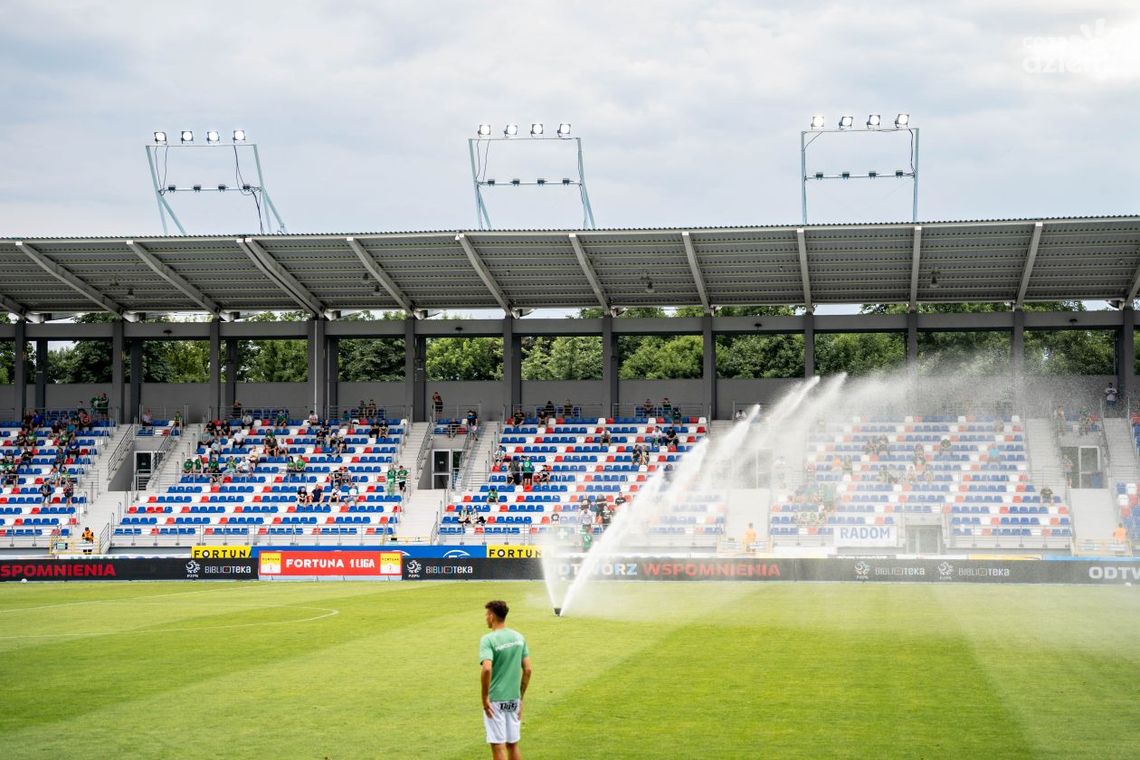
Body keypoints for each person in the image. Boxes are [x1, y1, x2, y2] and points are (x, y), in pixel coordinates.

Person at [480, 600, 532, 760]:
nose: (485, 619)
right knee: (512, 744)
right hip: (513, 699)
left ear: (491, 616)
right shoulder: (519, 637)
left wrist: (484, 698)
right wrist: (521, 698)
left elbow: (487, 668)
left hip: (495, 700)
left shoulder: (488, 640)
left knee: (498, 746)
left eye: (486, 615)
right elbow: (528, 669)